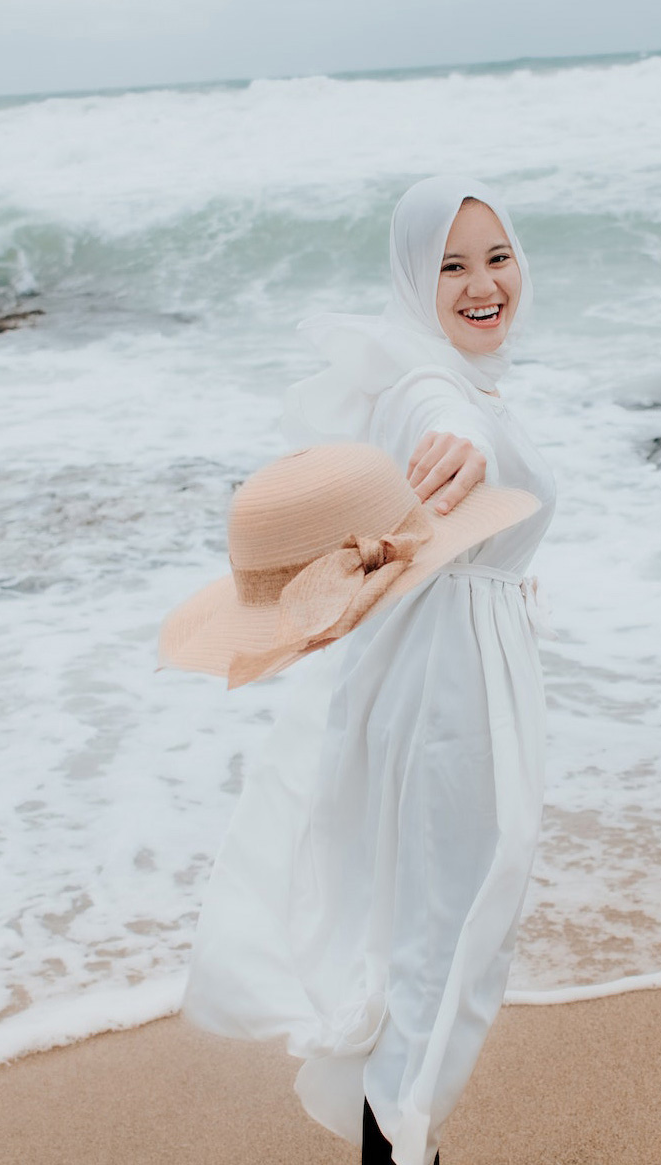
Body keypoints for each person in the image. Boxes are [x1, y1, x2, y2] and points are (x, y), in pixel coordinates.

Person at [160, 176, 556, 1165]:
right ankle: (401, 1149)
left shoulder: (430, 374)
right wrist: (457, 455)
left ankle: (405, 1142)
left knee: (428, 933)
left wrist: (504, 581)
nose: (481, 283)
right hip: (447, 696)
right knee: (437, 940)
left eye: (494, 256)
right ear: (408, 279)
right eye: (448, 266)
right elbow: (444, 446)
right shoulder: (429, 390)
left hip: (444, 670)